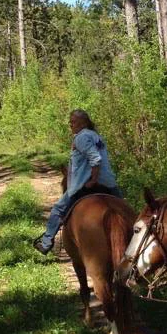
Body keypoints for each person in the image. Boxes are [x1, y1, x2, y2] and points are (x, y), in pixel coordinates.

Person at [33, 109, 122, 254]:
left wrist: (93, 180)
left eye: (73, 122)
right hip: (109, 183)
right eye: (70, 122)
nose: (71, 125)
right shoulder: (97, 137)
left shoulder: (81, 137)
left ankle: (46, 242)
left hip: (85, 185)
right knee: (126, 211)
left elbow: (95, 159)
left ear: (84, 122)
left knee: (57, 209)